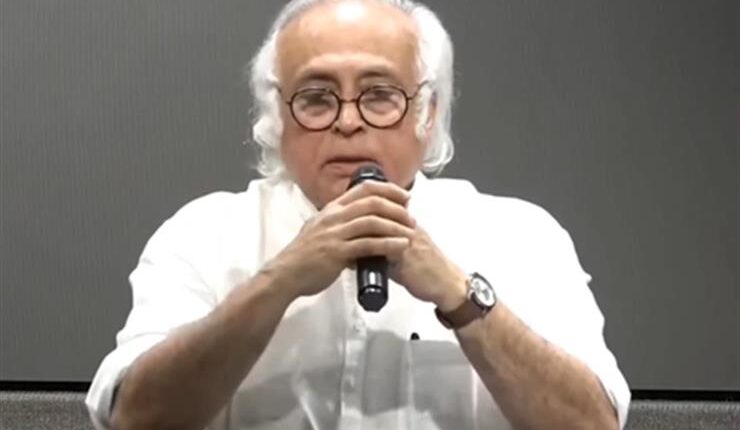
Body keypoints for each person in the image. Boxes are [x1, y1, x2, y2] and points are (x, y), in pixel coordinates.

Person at [86, 0, 630, 429]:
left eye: (379, 95)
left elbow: (593, 423)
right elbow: (135, 418)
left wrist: (460, 297)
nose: (348, 122)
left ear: (427, 112)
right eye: (317, 98)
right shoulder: (202, 234)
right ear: (278, 117)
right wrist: (279, 282)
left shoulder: (522, 235)